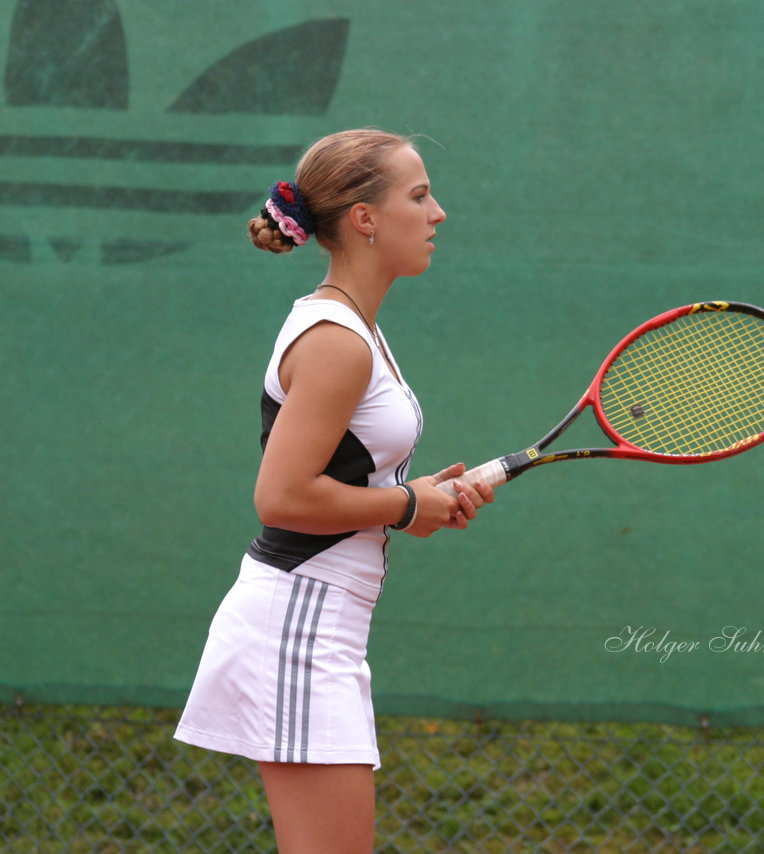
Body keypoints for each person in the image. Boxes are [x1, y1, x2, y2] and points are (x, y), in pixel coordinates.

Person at [174, 128, 495, 854]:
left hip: (324, 619)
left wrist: (412, 502)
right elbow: (282, 497)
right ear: (365, 219)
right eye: (418, 196)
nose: (438, 212)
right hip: (297, 622)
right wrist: (409, 504)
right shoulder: (336, 341)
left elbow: (343, 480)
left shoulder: (357, 330)